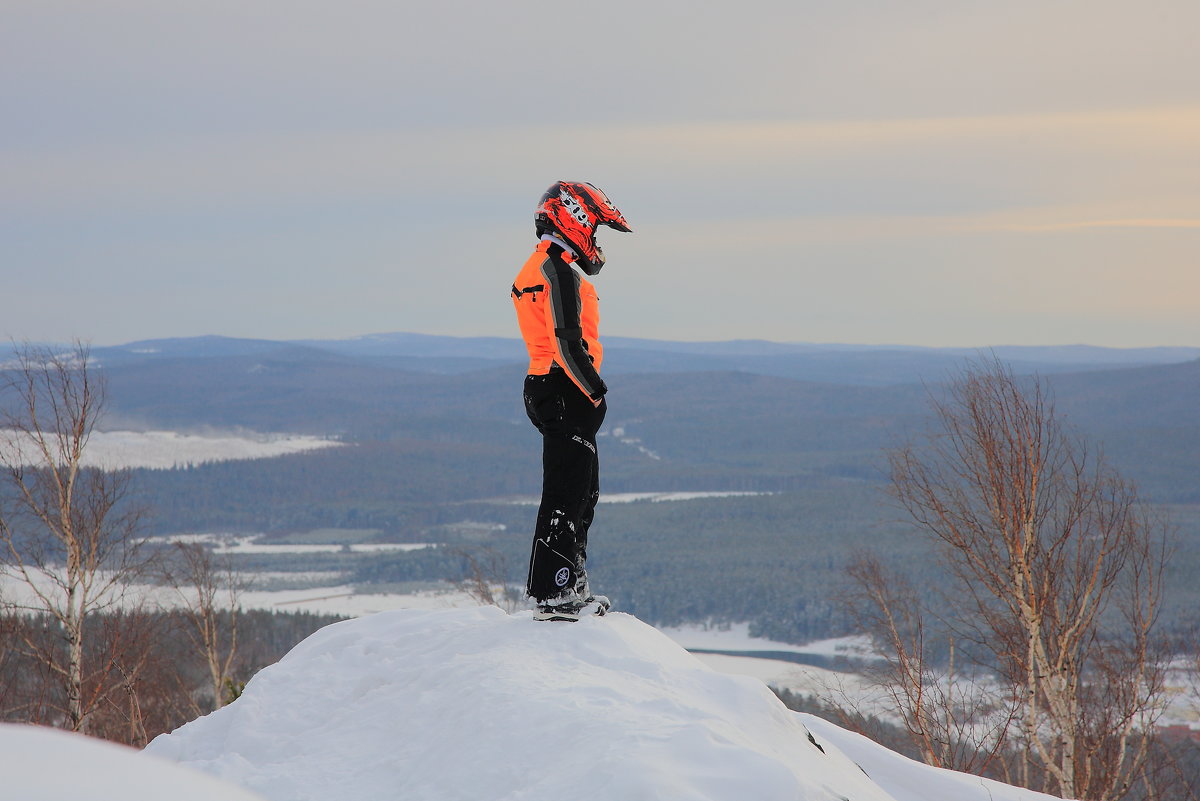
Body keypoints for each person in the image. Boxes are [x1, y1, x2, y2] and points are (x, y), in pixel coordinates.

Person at [510, 180, 632, 620]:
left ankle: (568, 585)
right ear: (575, 217)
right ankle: (554, 594)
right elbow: (566, 340)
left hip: (551, 387)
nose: (595, 241)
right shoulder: (556, 271)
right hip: (564, 387)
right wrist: (595, 392)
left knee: (582, 492)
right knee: (567, 495)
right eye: (593, 227)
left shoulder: (541, 266)